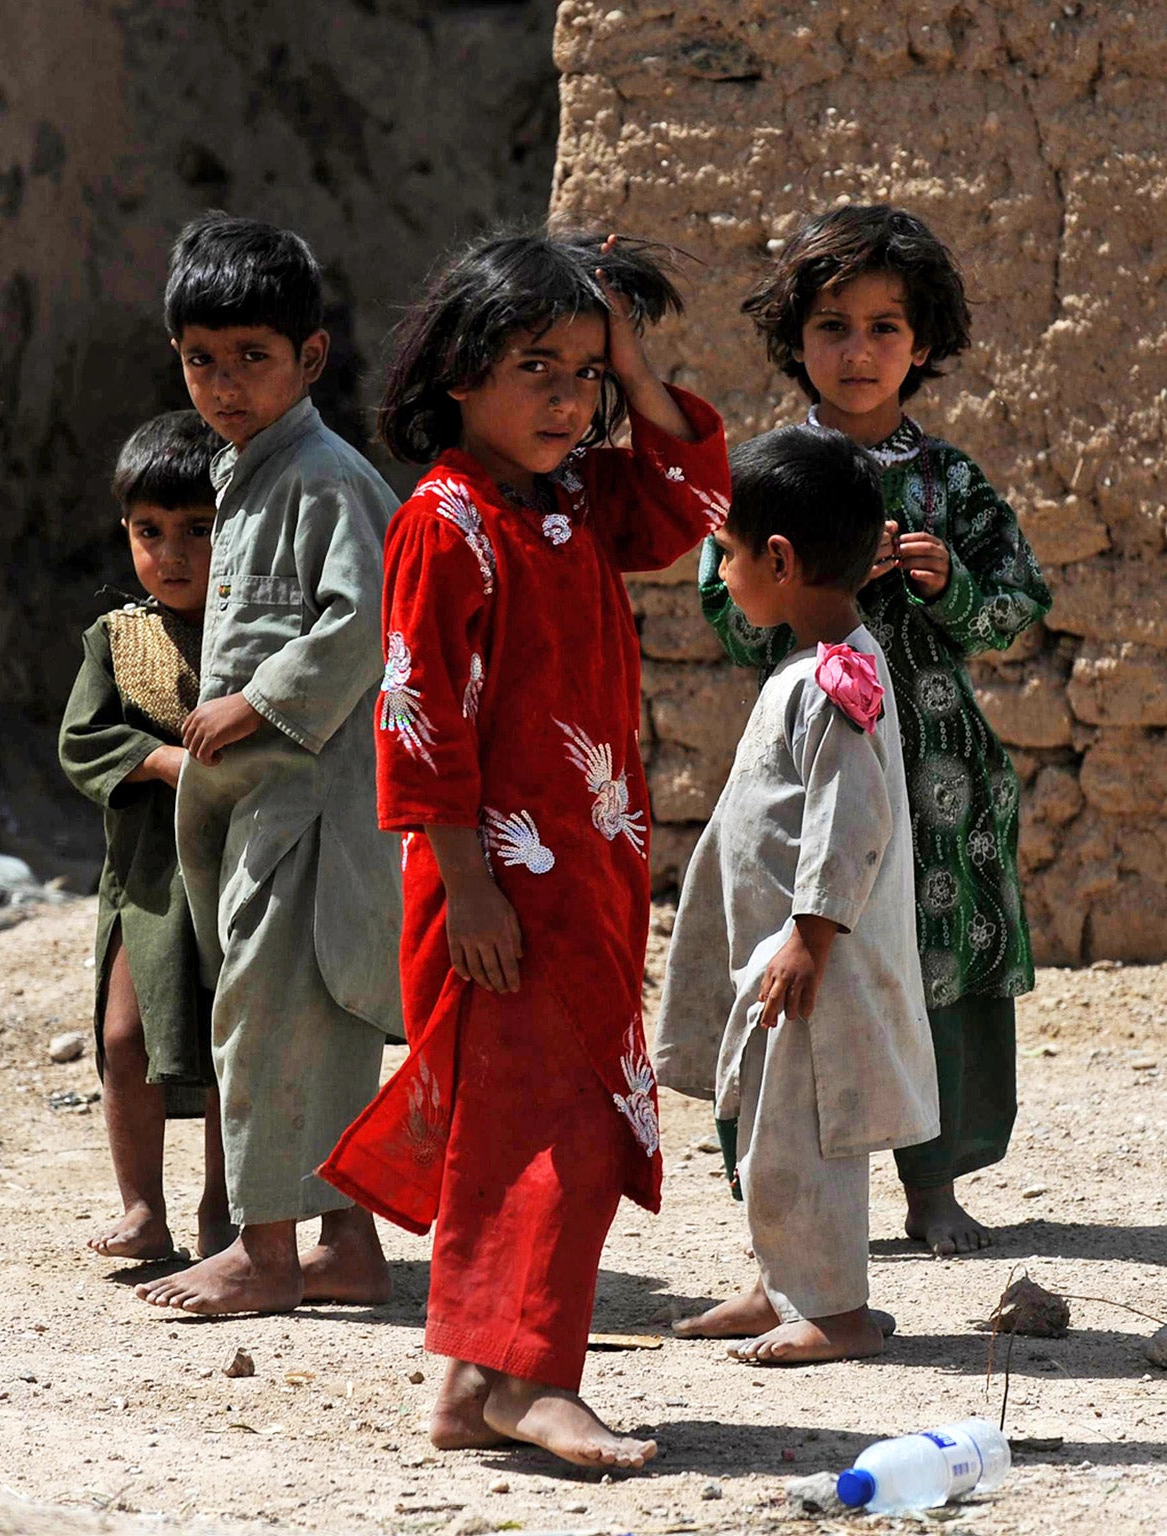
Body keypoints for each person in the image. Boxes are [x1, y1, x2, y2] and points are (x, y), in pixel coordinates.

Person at [318, 230, 730, 1469]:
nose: (566, 400)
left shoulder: (574, 501)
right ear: (457, 374)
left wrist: (636, 361)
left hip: (582, 878)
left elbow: (692, 501)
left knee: (524, 1122)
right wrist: (469, 888)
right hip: (496, 887)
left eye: (583, 375)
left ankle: (461, 1387)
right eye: (534, 367)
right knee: (560, 1132)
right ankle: (533, 1382)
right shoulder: (446, 525)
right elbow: (419, 716)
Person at [699, 205, 1053, 1257]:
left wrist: (947, 588)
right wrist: (822, 580)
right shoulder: (762, 476)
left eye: (884, 328)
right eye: (832, 327)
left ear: (924, 342)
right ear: (794, 338)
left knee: (927, 969)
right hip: (811, 767)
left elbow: (1016, 604)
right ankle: (793, 1196)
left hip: (937, 778)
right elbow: (725, 615)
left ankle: (931, 1188)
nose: (857, 353)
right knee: (801, 958)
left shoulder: (949, 482)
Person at [131, 213, 402, 1317]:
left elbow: (365, 614)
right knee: (302, 1021)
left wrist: (256, 698)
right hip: (267, 810)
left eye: (252, 358)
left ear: (311, 359)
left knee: (273, 1019)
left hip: (317, 809)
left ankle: (268, 1252)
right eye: (202, 359)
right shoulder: (246, 474)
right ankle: (347, 1245)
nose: (224, 384)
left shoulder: (323, 477)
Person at [656, 424, 938, 1365]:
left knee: (811, 1134)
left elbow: (850, 821)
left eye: (727, 554)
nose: (722, 572)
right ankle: (781, 1282)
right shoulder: (806, 667)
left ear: (778, 560)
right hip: (780, 954)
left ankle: (838, 1311)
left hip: (813, 962)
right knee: (771, 1133)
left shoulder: (839, 679)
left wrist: (809, 939)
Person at [58, 410, 227, 1263]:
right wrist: (160, 760)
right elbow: (81, 741)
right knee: (127, 1039)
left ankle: (222, 1212)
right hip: (150, 882)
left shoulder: (253, 634)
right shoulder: (117, 639)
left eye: (200, 529)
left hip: (237, 875)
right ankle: (142, 1208)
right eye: (149, 531)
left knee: (230, 1047)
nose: (174, 554)